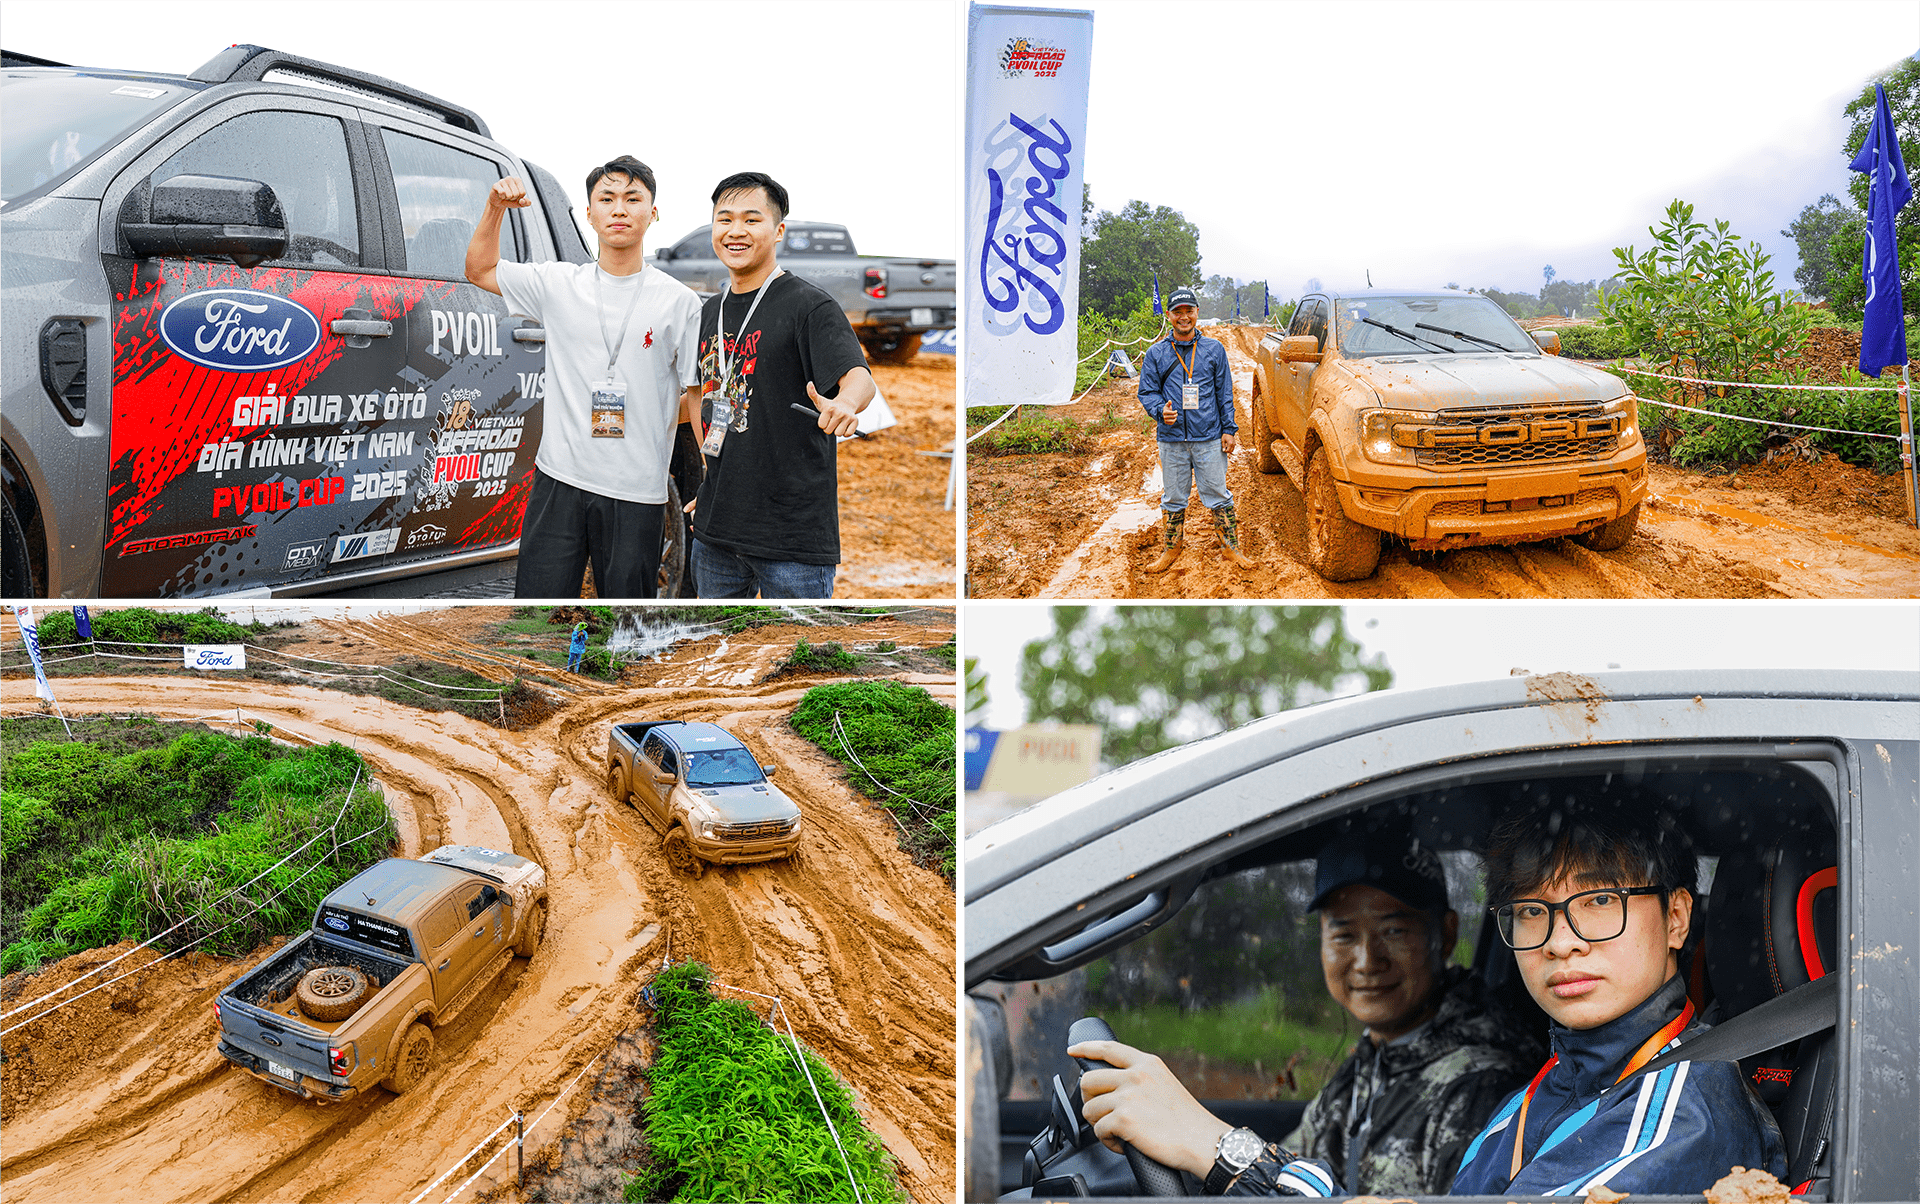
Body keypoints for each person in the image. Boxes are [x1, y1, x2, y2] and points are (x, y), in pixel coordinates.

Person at [1069, 830, 1539, 1196]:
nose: (1366, 960)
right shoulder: (1381, 1055)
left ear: (1446, 935)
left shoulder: (1482, 1085)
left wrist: (1215, 1148)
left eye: (1393, 931)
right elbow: (1297, 1162)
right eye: (1343, 934)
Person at [1450, 803, 1787, 1195]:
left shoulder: (1687, 1108)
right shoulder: (1527, 1101)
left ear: (1676, 918)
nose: (1561, 943)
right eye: (1530, 909)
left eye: (1600, 900)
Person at [466, 155, 702, 599]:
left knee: (626, 624)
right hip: (559, 480)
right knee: (537, 615)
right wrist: (495, 207)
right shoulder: (557, 284)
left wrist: (657, 424)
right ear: (589, 212)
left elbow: (697, 398)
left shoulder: (680, 303)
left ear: (652, 214)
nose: (619, 209)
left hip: (638, 490)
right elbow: (479, 269)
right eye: (607, 198)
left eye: (633, 199)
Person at [686, 171, 874, 599]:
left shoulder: (809, 305)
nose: (736, 231)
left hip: (790, 540)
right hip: (715, 534)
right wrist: (711, 479)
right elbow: (701, 396)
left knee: (796, 652)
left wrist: (845, 404)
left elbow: (858, 378)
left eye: (752, 220)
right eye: (724, 219)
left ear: (778, 231)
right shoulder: (707, 311)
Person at [1138, 288, 1254, 573]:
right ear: (1169, 316)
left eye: (1189, 310)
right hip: (1172, 439)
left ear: (1197, 313)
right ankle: (1171, 550)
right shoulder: (1156, 353)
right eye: (1178, 312)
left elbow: (1224, 393)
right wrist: (1159, 411)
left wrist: (1229, 429)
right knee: (1173, 497)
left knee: (1218, 493)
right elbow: (1147, 392)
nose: (1184, 317)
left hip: (1208, 437)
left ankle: (1230, 549)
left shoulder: (1214, 349)